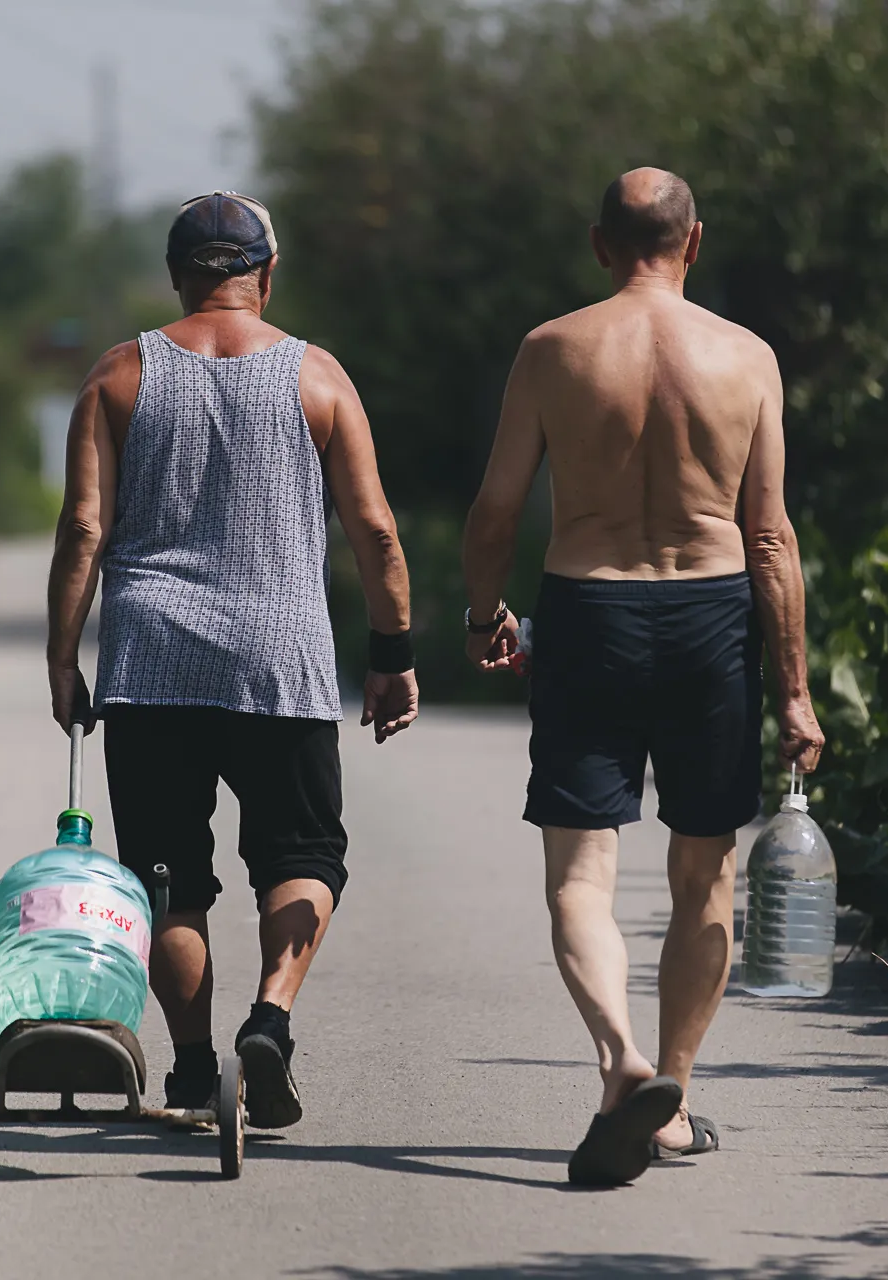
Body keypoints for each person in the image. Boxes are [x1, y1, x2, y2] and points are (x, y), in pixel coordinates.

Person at [460, 168, 825, 1186]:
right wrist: (792, 687)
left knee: (581, 874)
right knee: (703, 871)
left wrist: (487, 609)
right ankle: (673, 1091)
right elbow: (770, 536)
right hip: (711, 617)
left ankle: (619, 1059)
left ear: (598, 243)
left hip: (590, 607)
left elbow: (496, 510)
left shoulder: (552, 350)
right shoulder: (747, 357)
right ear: (694, 241)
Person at [46, 191, 419, 1128]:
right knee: (302, 854)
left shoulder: (119, 374)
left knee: (168, 876)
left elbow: (86, 526)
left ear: (177, 275)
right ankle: (271, 1020)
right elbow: (374, 528)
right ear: (266, 272)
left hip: (151, 660)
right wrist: (392, 654)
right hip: (281, 660)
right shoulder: (319, 377)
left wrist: (62, 658)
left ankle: (189, 1067)